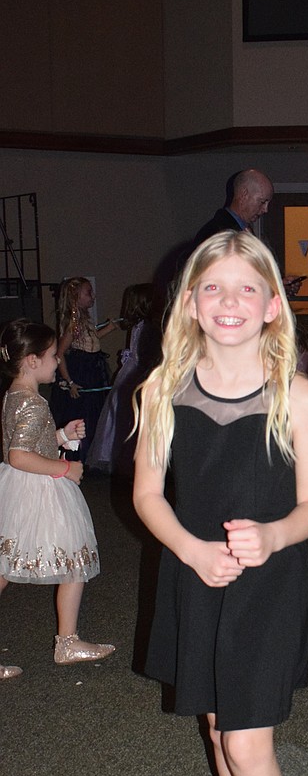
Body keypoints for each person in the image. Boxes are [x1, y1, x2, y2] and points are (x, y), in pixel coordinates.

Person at [133, 230, 308, 776]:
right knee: (219, 732)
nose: (230, 301)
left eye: (248, 287)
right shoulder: (161, 389)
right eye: (213, 287)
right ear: (189, 302)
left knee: (249, 741)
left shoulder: (298, 395)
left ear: (273, 305)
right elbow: (149, 495)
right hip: (196, 575)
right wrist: (190, 550)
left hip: (268, 583)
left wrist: (273, 536)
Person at [0, 319, 116, 669]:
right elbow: (19, 455)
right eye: (52, 355)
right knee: (74, 560)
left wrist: (62, 437)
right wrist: (66, 468)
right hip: (37, 492)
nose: (57, 361)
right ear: (32, 360)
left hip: (17, 489)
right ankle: (67, 642)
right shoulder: (33, 403)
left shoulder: (14, 396)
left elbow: (22, 445)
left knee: (7, 565)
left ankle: (68, 640)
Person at [87, 283, 161, 476]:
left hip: (134, 372)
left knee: (123, 413)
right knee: (120, 413)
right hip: (133, 372)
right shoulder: (142, 326)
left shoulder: (145, 327)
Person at [51, 277, 120, 463]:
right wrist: (70, 381)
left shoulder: (84, 319)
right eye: (88, 293)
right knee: (84, 413)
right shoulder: (72, 323)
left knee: (95, 411)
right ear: (75, 297)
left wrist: (110, 328)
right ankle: (79, 455)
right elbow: (60, 353)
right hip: (81, 371)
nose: (93, 296)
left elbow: (93, 338)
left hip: (92, 368)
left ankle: (92, 454)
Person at [192, 169, 274, 247]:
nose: (265, 209)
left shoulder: (235, 229)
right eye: (262, 202)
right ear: (244, 195)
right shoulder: (218, 235)